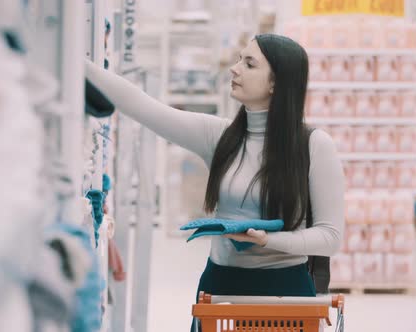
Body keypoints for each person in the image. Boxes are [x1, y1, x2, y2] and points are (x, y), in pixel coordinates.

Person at [85, 34, 344, 331]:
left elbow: (330, 236)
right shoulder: (220, 137)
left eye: (249, 64)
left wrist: (268, 240)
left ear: (276, 82)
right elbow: (143, 106)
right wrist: (77, 63)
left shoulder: (313, 146)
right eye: (238, 60)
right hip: (222, 287)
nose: (234, 69)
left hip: (285, 291)